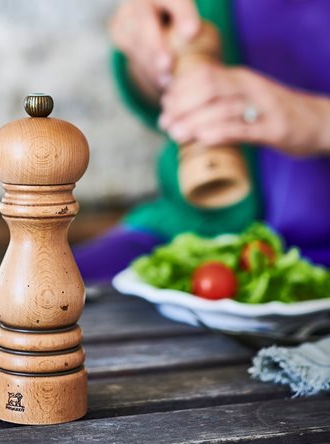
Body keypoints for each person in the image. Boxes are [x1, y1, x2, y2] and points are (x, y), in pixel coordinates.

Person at [74, 0, 330, 283]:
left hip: (319, 250)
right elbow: (152, 94)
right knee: (46, 294)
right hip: (191, 233)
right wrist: (151, 60)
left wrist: (318, 122)